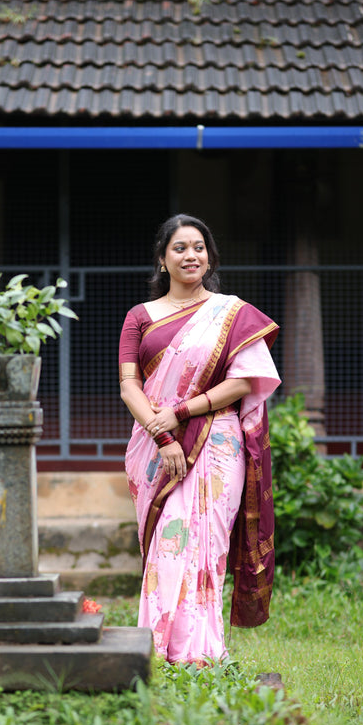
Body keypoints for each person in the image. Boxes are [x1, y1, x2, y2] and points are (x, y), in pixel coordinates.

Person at [119, 214, 281, 666]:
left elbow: (246, 380)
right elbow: (129, 386)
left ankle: (202, 650)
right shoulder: (140, 317)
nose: (191, 255)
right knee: (167, 543)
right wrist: (164, 433)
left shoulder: (231, 312)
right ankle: (155, 646)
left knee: (207, 543)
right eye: (180, 248)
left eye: (199, 247)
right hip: (155, 443)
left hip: (216, 442)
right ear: (162, 259)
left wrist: (183, 411)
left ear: (208, 257)